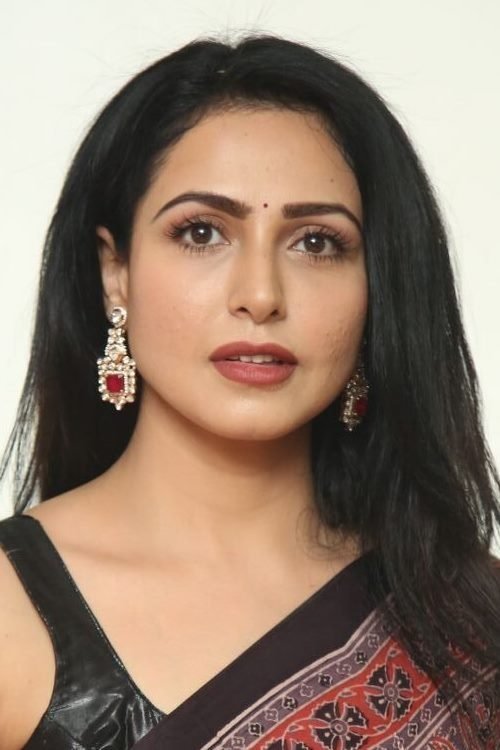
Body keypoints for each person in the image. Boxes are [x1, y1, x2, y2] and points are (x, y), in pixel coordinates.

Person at [0, 33, 499, 750]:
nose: (261, 295)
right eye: (202, 232)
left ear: (376, 289)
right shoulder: (12, 616)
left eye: (317, 242)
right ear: (116, 273)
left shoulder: (473, 621)